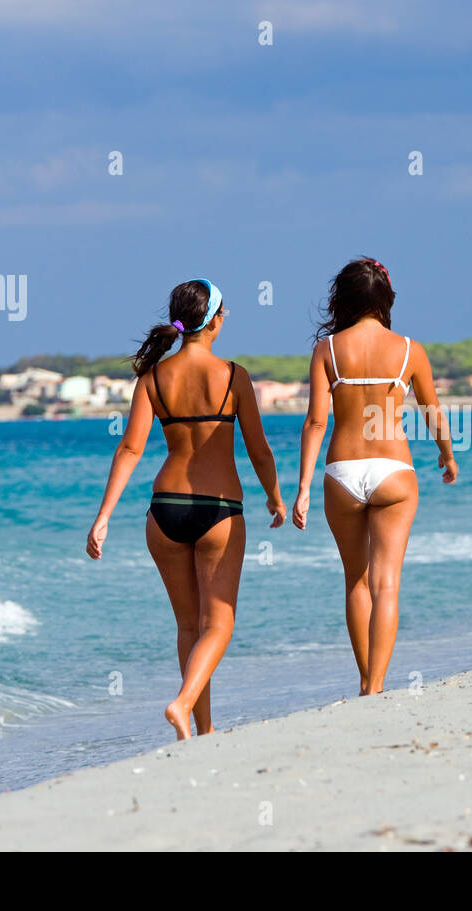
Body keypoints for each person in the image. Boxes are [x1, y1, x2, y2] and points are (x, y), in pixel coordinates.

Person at [86, 279, 285, 740]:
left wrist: (104, 516)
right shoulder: (234, 376)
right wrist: (275, 495)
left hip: (164, 511)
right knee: (219, 624)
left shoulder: (153, 377)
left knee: (188, 626)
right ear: (214, 321)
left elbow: (130, 450)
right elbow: (258, 449)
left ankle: (202, 728)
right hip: (218, 509)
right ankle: (181, 703)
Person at [293, 258, 457, 696]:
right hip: (393, 471)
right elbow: (432, 412)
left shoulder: (327, 350)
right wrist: (447, 455)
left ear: (342, 299)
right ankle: (375, 688)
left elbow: (315, 423)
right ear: (385, 298)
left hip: (341, 474)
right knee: (386, 583)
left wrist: (304, 486)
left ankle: (365, 679)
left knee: (356, 580)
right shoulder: (409, 350)